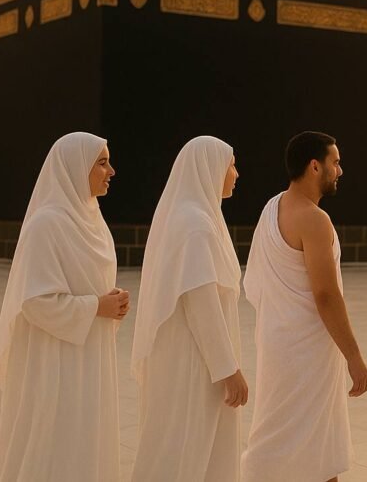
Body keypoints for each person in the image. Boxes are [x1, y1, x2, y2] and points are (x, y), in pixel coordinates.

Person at [0, 132, 127, 481]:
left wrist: (111, 300)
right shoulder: (47, 224)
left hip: (91, 355)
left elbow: (88, 283)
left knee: (86, 440)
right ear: (74, 167)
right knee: (56, 440)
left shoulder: (94, 221)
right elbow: (35, 301)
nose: (111, 171)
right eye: (101, 162)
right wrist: (97, 306)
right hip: (56, 361)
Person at [241, 131, 367, 482]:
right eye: (336, 163)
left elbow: (254, 283)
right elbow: (326, 295)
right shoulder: (314, 219)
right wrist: (354, 357)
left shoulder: (273, 206)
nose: (340, 171)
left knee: (291, 436)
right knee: (312, 445)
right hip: (308, 352)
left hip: (277, 342)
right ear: (315, 166)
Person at [131, 136, 248, 481]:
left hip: (197, 360)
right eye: (231, 165)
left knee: (196, 450)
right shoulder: (195, 224)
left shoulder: (197, 217)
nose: (236, 174)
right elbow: (202, 305)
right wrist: (229, 370)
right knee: (183, 451)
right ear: (209, 168)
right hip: (194, 364)